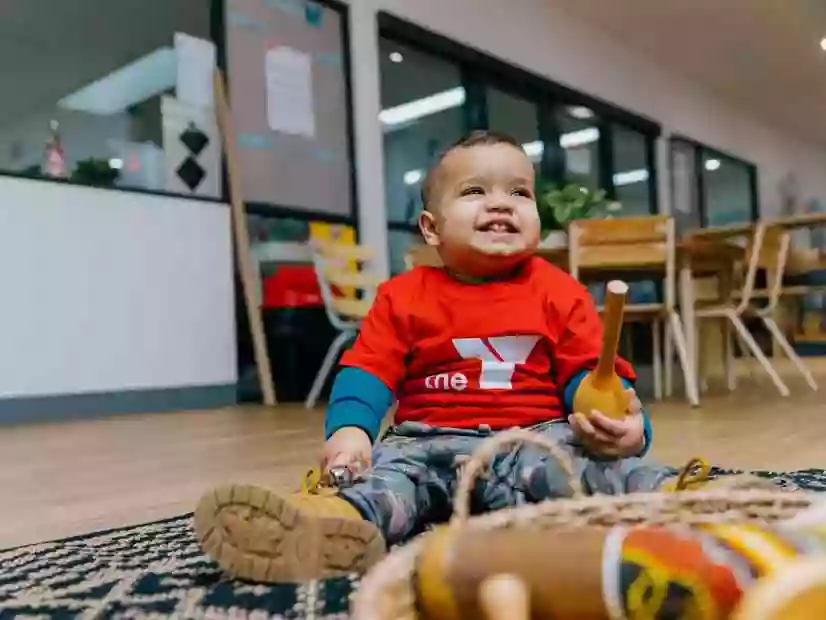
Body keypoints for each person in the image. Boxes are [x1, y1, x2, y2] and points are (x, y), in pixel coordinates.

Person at [194, 130, 715, 584]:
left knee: (589, 470)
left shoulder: (562, 292)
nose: (500, 203)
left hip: (535, 439)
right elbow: (368, 369)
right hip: (425, 444)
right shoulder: (403, 295)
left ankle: (678, 502)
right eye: (474, 192)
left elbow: (590, 375)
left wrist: (623, 424)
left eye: (519, 192)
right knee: (384, 482)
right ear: (431, 228)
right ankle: (326, 527)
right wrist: (350, 432)